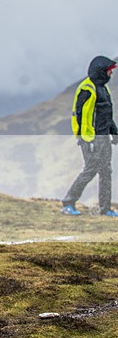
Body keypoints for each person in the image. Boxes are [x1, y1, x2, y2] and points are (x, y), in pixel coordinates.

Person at [62, 56, 118, 217]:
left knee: (106, 172)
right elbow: (80, 117)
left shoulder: (103, 88)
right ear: (101, 72)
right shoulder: (87, 89)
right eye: (109, 71)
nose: (110, 74)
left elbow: (106, 115)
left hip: (103, 139)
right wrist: (87, 139)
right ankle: (68, 203)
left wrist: (114, 132)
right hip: (91, 140)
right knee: (90, 171)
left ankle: (105, 209)